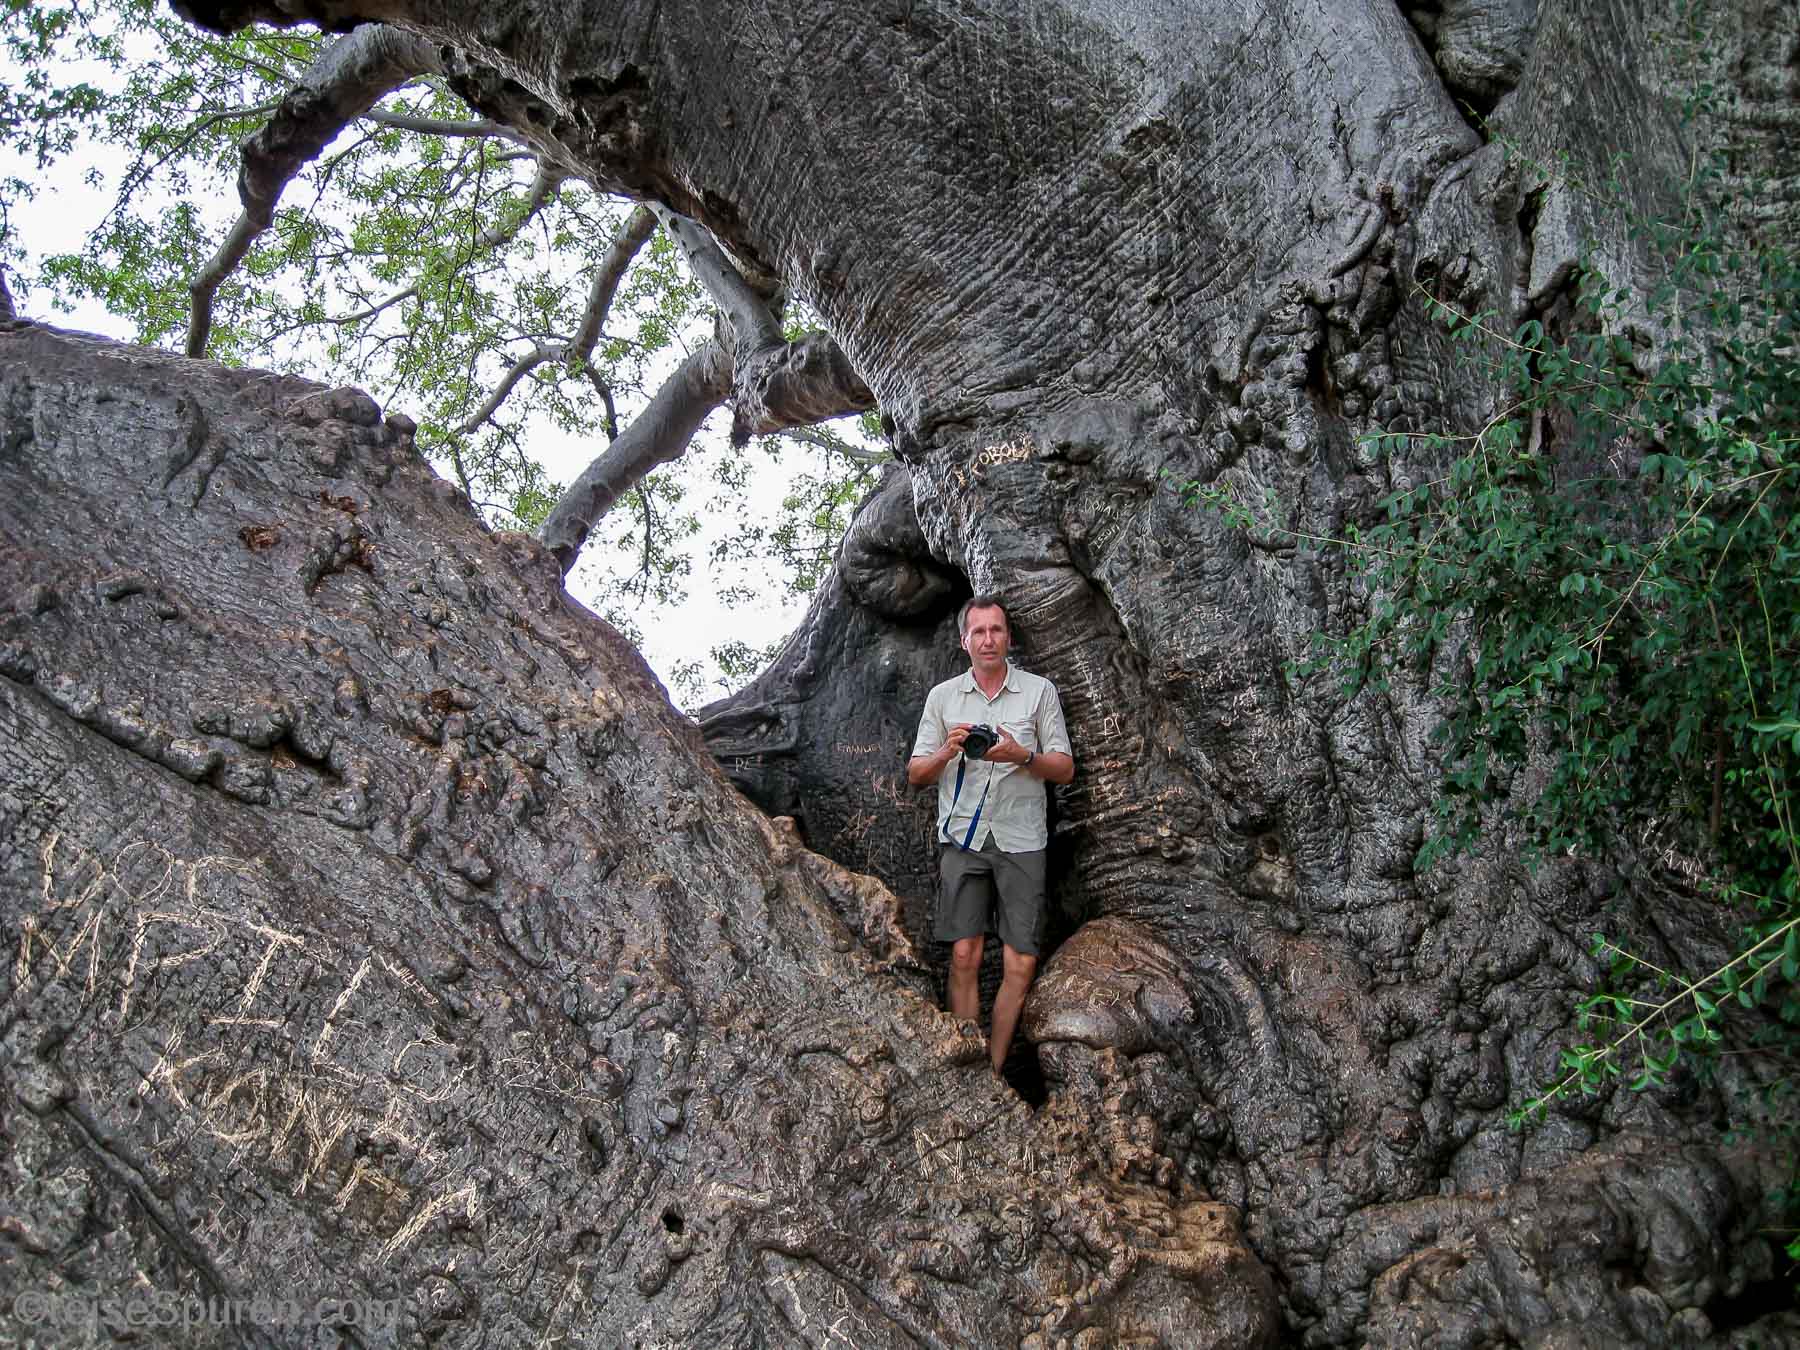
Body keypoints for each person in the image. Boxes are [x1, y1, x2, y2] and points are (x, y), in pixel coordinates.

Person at [907, 595, 1075, 1072]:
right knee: (964, 954)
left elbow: (1064, 768)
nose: (988, 640)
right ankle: (969, 1070)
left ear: (1008, 637)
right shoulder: (943, 698)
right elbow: (916, 774)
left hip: (1023, 839)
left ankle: (995, 1072)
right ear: (964, 641)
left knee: (1020, 962)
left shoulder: (1039, 692)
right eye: (978, 632)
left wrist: (1022, 755)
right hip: (964, 838)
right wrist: (948, 751)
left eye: (996, 630)